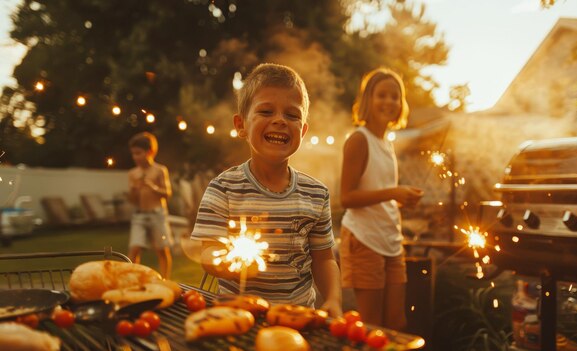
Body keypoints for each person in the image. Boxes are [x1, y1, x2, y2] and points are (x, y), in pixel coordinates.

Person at [191, 63, 342, 317]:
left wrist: (335, 299)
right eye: (266, 111)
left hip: (298, 318)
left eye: (292, 115)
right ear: (241, 125)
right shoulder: (223, 189)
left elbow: (324, 259)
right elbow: (208, 251)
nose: (280, 121)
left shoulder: (316, 194)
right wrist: (226, 262)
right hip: (239, 318)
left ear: (303, 130)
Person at [339, 67, 424, 330]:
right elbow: (347, 197)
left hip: (390, 239)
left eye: (395, 96)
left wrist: (401, 199)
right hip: (365, 239)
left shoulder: (386, 144)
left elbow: (378, 191)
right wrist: (393, 193)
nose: (389, 102)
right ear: (368, 100)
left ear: (401, 104)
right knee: (372, 325)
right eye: (382, 95)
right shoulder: (358, 140)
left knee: (397, 322)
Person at [127, 132, 174, 279]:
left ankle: (164, 279)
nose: (135, 157)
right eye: (133, 154)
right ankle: (132, 279)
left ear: (150, 152)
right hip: (139, 215)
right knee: (134, 249)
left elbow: (167, 193)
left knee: (162, 249)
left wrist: (153, 187)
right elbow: (133, 200)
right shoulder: (133, 173)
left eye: (138, 153)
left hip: (157, 214)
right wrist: (134, 190)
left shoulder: (160, 170)